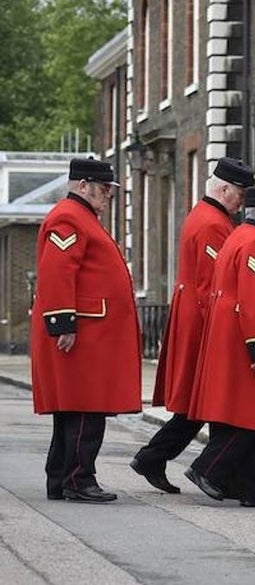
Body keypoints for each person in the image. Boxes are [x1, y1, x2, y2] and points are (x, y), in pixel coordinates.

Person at [131, 157, 254, 493]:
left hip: (192, 315)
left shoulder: (207, 216)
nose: (242, 200)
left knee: (197, 402)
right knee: (206, 399)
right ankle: (202, 468)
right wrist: (219, 331)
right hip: (202, 321)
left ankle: (155, 458)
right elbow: (209, 284)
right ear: (224, 188)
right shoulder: (214, 224)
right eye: (240, 192)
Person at [29, 158, 141, 502]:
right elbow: (58, 270)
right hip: (82, 333)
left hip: (90, 332)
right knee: (84, 408)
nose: (108, 195)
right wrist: (64, 322)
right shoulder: (69, 217)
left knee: (75, 409)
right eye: (104, 189)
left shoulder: (82, 217)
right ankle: (79, 478)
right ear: (82, 185)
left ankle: (61, 478)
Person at [185, 187, 255, 508]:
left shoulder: (238, 236)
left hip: (230, 335)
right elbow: (253, 298)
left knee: (243, 413)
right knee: (249, 416)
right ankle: (208, 468)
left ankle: (254, 488)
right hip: (247, 336)